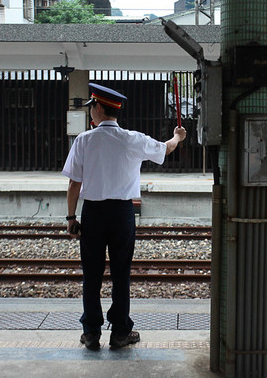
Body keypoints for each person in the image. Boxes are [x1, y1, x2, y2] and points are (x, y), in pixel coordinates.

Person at [62, 83, 187, 350]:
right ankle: (120, 333)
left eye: (91, 108)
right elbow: (165, 149)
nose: (90, 114)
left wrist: (71, 217)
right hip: (122, 213)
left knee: (92, 274)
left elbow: (74, 184)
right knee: (121, 273)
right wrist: (178, 137)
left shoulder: (84, 140)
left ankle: (91, 333)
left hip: (93, 213)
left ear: (97, 107)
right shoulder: (133, 138)